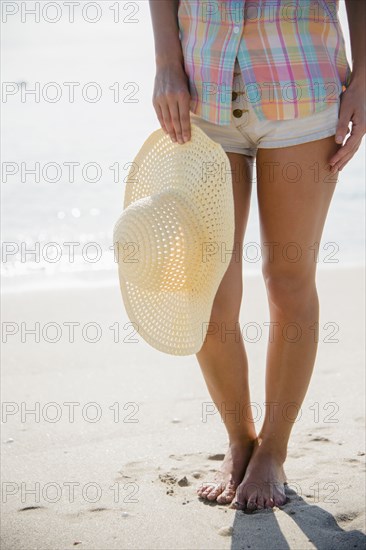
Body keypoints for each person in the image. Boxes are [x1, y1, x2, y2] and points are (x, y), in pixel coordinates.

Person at [148, 0, 365, 511]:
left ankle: (274, 450)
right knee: (206, 290)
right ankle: (240, 439)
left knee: (287, 280)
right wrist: (165, 63)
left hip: (303, 86)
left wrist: (363, 81)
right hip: (199, 90)